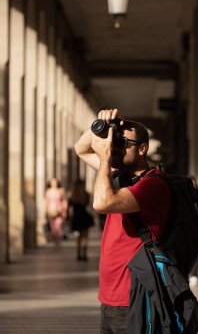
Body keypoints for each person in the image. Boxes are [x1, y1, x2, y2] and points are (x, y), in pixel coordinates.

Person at [74, 108, 172, 334]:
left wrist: (106, 157)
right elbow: (81, 149)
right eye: (117, 140)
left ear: (142, 148)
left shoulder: (152, 185)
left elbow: (102, 203)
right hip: (109, 297)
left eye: (123, 142)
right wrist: (101, 124)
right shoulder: (120, 176)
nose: (116, 146)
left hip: (133, 297)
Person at [68, 178, 94, 261]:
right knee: (85, 236)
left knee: (78, 237)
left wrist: (69, 218)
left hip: (77, 217)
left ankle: (78, 254)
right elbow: (89, 206)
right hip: (85, 217)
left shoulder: (72, 196)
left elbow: (70, 209)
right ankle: (84, 253)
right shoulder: (86, 194)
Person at [44, 177, 68, 248]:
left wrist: (65, 210)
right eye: (52, 182)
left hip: (59, 211)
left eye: (55, 182)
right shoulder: (48, 191)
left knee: (58, 227)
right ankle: (55, 243)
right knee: (53, 228)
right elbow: (46, 202)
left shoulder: (61, 191)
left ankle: (58, 242)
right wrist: (45, 211)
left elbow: (64, 200)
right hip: (51, 211)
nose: (54, 183)